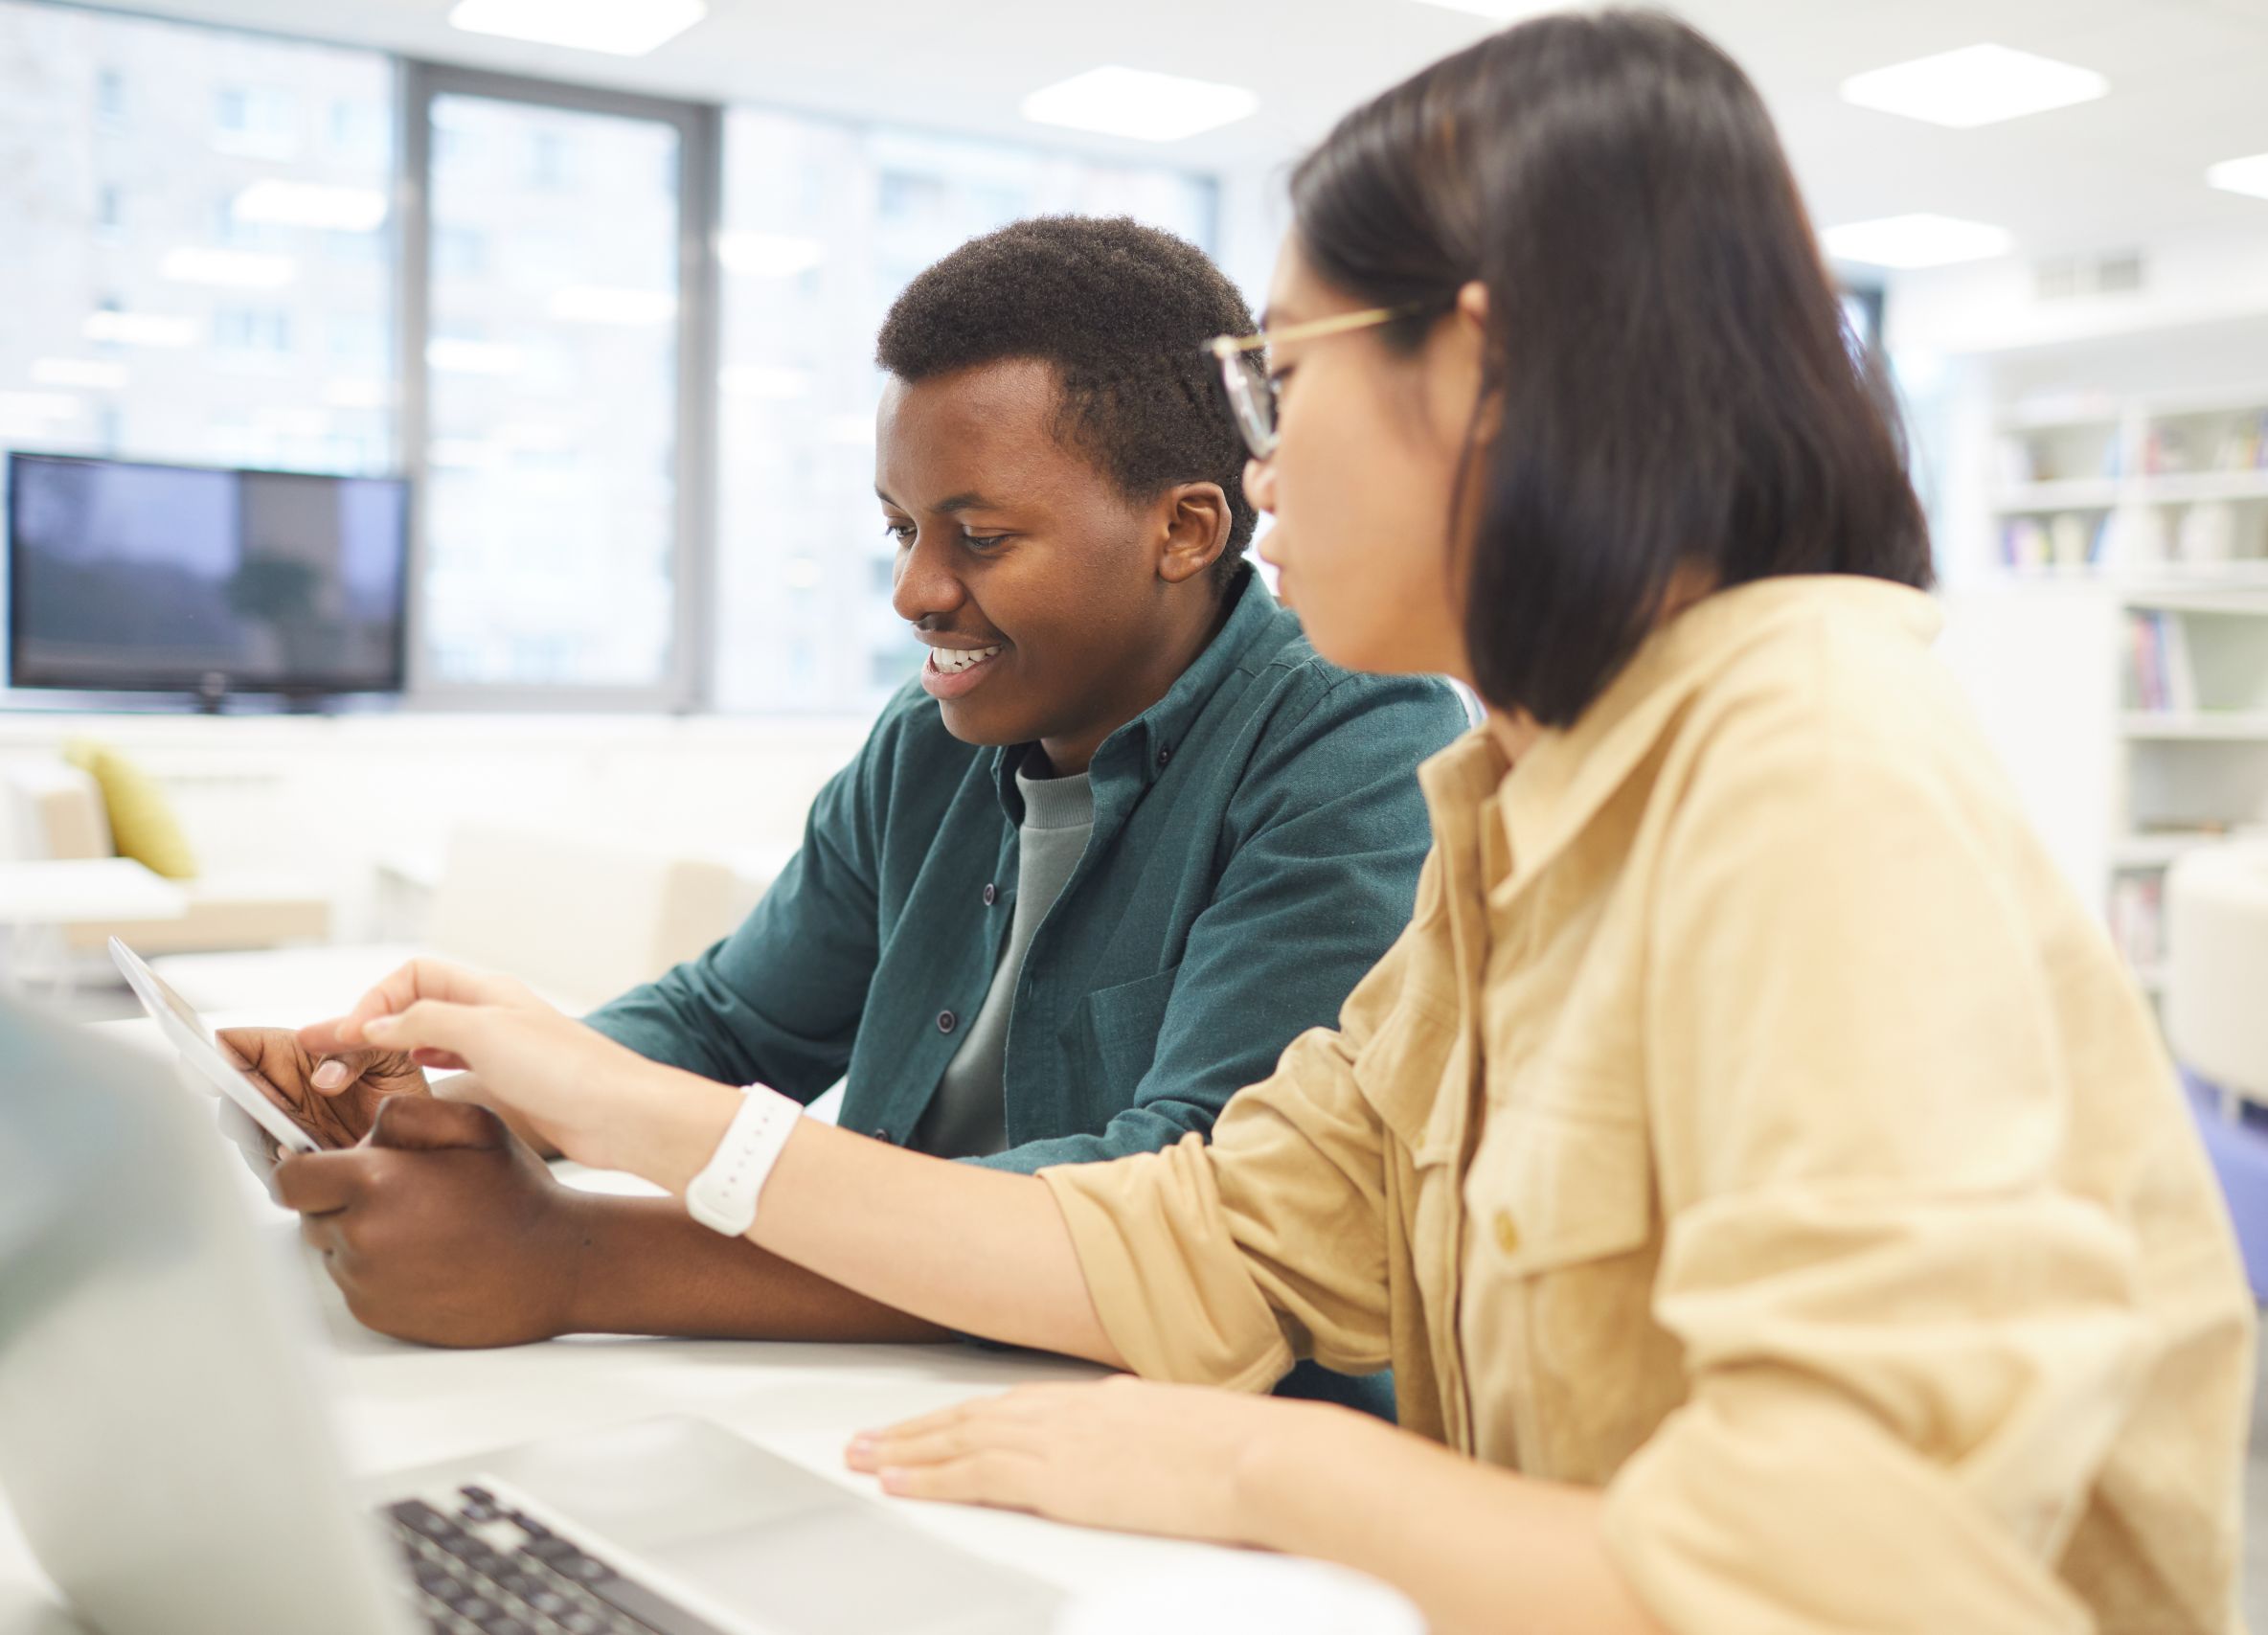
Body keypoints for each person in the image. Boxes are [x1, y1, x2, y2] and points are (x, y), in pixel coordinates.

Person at [277, 11, 2255, 1632]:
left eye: (1279, 372)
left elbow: (1855, 1586)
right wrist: (619, 1109)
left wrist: (1269, 1465)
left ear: (1471, 365)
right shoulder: (1536, 795)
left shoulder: (1803, 762)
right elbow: (1218, 1229)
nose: (1260, 443)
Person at [235, 216, 1465, 1423]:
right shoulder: (930, 738)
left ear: (1185, 530)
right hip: (894, 1394)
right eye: (901, 527)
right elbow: (733, 1016)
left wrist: (571, 1257)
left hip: (1191, 1441)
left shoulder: (1354, 740)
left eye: (979, 537)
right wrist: (468, 1106)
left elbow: (1179, 1219)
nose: (916, 591)